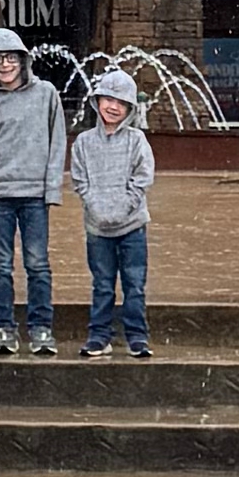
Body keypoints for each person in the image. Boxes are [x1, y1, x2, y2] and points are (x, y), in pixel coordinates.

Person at [0, 30, 64, 355]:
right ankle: (4, 328)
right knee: (0, 265)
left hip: (35, 194)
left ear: (23, 60)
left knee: (38, 263)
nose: (5, 65)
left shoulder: (47, 94)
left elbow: (57, 143)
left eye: (10, 58)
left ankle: (41, 329)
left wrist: (52, 189)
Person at [69, 69, 157, 355]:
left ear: (130, 108)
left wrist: (124, 207)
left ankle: (137, 336)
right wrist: (94, 206)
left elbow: (143, 178)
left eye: (121, 102)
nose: (113, 106)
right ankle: (99, 336)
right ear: (97, 101)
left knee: (135, 285)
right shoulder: (83, 142)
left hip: (132, 226)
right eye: (108, 98)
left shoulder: (136, 140)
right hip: (97, 229)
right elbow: (79, 181)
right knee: (102, 285)